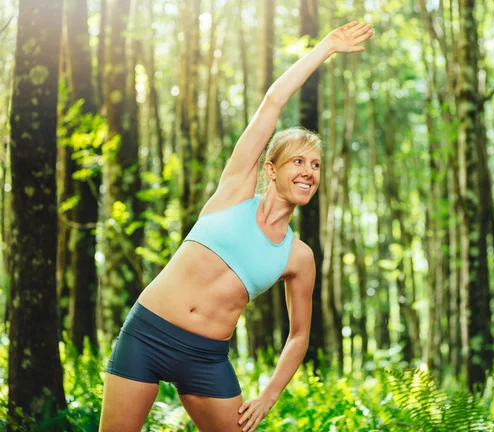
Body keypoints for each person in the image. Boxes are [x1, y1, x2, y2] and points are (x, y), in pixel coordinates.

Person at [99, 20, 373, 432]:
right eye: (298, 161)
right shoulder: (234, 192)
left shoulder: (299, 257)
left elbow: (299, 336)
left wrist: (269, 395)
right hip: (147, 334)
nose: (308, 171)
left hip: (206, 358)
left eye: (315, 165)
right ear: (271, 169)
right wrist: (325, 49)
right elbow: (272, 103)